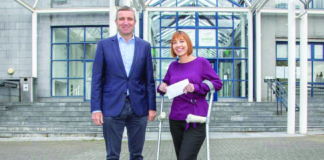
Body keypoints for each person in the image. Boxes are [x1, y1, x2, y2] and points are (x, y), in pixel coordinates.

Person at [90, 6, 156, 160]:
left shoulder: (144, 46)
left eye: (129, 19)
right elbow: (97, 79)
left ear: (134, 22)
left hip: (138, 107)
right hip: (111, 107)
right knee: (112, 155)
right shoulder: (104, 45)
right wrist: (96, 108)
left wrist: (152, 106)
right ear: (116, 22)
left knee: (137, 155)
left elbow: (149, 80)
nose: (125, 22)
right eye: (122, 19)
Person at [157, 30, 223, 160]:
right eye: (174, 42)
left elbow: (217, 83)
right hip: (176, 118)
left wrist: (196, 87)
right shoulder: (173, 66)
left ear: (188, 43)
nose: (178, 45)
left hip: (196, 118)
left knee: (185, 158)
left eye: (181, 41)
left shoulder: (201, 62)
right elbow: (165, 85)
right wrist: (161, 87)